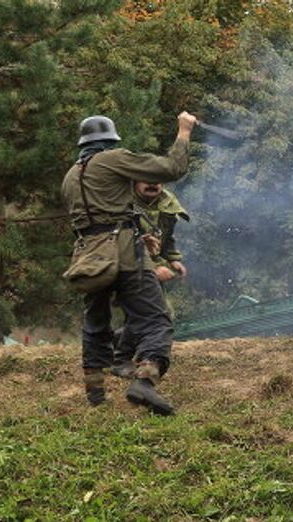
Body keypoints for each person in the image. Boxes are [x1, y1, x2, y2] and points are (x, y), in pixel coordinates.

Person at [61, 111, 196, 414]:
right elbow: (171, 168)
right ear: (109, 142)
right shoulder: (112, 158)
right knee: (155, 320)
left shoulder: (71, 176)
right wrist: (184, 131)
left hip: (88, 259)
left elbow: (94, 218)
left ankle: (95, 395)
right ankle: (144, 383)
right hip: (124, 254)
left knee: (96, 324)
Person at [111, 182, 190, 379]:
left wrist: (173, 259)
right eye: (147, 178)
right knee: (156, 317)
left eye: (157, 178)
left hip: (149, 266)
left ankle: (118, 350)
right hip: (127, 267)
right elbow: (122, 243)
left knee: (148, 316)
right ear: (135, 181)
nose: (153, 183)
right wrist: (153, 268)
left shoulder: (166, 203)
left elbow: (166, 237)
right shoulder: (123, 205)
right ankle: (128, 359)